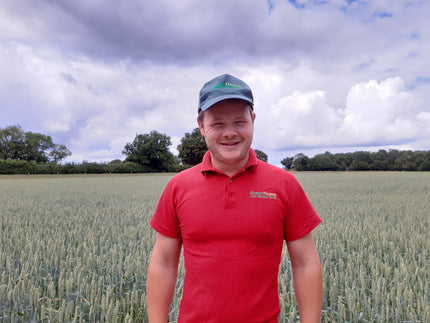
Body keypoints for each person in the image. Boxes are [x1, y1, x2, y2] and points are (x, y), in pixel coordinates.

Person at [147, 74, 323, 323]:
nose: (229, 133)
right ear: (201, 125)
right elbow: (163, 263)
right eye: (217, 124)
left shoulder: (284, 185)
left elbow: (306, 263)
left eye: (239, 122)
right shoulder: (178, 187)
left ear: (252, 120)